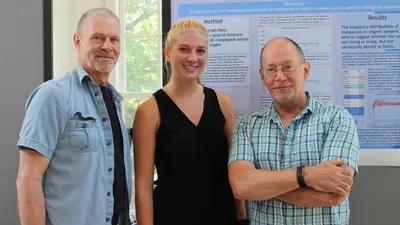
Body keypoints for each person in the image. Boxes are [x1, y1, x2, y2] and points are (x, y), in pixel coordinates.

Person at [16, 8, 132, 225]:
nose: (107, 46)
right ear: (78, 41)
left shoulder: (115, 102)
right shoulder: (54, 95)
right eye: (98, 37)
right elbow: (28, 178)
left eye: (114, 39)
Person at [228, 37, 360, 225]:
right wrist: (307, 175)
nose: (280, 77)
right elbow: (241, 186)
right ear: (262, 76)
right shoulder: (248, 125)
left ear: (305, 70)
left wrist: (263, 187)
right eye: (271, 69)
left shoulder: (337, 119)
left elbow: (333, 194)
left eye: (287, 67)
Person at [133, 19, 247, 225]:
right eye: (184, 49)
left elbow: (235, 170)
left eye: (201, 51)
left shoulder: (222, 103)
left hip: (221, 215)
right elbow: (143, 186)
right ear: (168, 53)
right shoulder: (149, 110)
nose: (193, 58)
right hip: (171, 216)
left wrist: (242, 218)